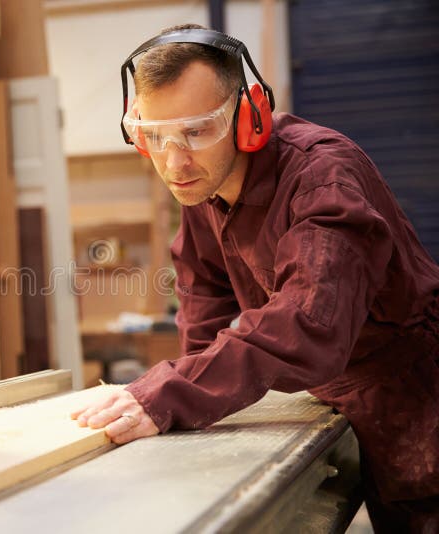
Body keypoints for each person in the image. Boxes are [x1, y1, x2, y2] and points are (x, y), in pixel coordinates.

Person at [71, 23, 439, 531]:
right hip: (353, 402)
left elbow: (310, 324)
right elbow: (203, 298)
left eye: (197, 130)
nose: (174, 161)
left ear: (249, 117)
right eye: (154, 135)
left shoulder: (322, 180)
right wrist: (182, 412)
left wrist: (171, 392)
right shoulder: (201, 183)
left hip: (422, 402)